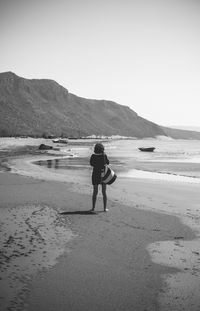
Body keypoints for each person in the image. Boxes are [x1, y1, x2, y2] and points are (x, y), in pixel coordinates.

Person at [89, 143, 109, 212]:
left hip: (95, 175)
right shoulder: (104, 155)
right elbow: (107, 163)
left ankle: (93, 208)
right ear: (102, 149)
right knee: (104, 192)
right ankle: (104, 208)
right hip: (103, 175)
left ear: (95, 149)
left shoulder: (93, 156)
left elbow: (91, 164)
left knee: (95, 192)